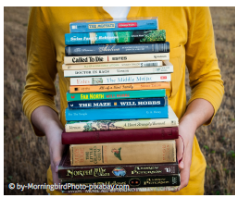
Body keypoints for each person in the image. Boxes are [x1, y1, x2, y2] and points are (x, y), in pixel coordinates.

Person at [22, 7, 224, 195]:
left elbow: (208, 79)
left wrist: (188, 125)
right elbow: (37, 89)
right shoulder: (47, 7)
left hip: (172, 181)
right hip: (80, 182)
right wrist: (52, 129)